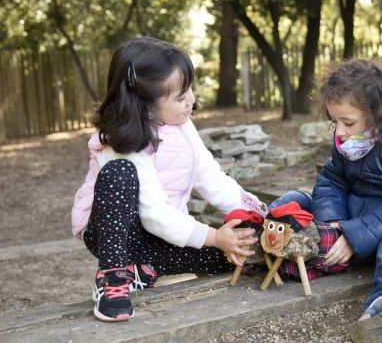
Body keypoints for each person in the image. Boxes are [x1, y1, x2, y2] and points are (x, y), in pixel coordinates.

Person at [70, 37, 265, 322]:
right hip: (116, 235)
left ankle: (144, 268)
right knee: (119, 172)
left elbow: (212, 179)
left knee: (236, 252)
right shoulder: (120, 142)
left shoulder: (183, 126)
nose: (192, 100)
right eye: (180, 96)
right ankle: (113, 278)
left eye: (190, 90)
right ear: (145, 106)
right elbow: (155, 214)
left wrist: (261, 214)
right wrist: (214, 237)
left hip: (161, 233)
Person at [270, 59, 382, 342]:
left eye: (348, 122)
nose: (340, 131)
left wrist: (355, 236)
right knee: (294, 200)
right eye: (335, 121)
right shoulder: (349, 138)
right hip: (359, 215)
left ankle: (381, 309)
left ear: (378, 111)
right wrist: (333, 225)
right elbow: (332, 181)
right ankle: (258, 243)